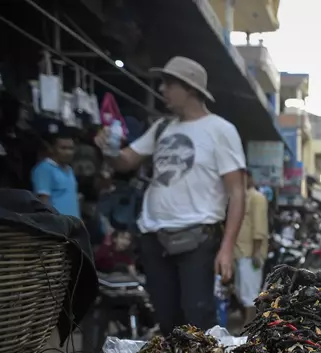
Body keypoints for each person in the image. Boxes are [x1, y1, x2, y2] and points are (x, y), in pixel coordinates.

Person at [94, 56, 246, 333]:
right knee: (167, 322)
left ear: (190, 88)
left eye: (169, 83)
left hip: (197, 240)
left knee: (198, 322)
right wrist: (109, 148)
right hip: (154, 239)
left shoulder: (221, 130)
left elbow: (237, 192)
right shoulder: (162, 127)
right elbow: (126, 161)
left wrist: (226, 248)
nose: (162, 89)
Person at [234, 174, 268, 324]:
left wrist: (256, 252)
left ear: (250, 178)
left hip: (250, 254)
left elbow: (259, 227)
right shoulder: (241, 198)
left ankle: (250, 329)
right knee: (242, 294)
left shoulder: (257, 198)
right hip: (240, 253)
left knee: (251, 296)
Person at [31, 130, 80, 217]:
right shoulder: (44, 169)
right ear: (52, 148)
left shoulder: (70, 169)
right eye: (63, 148)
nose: (68, 152)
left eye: (71, 148)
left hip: (73, 225)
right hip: (56, 226)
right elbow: (43, 202)